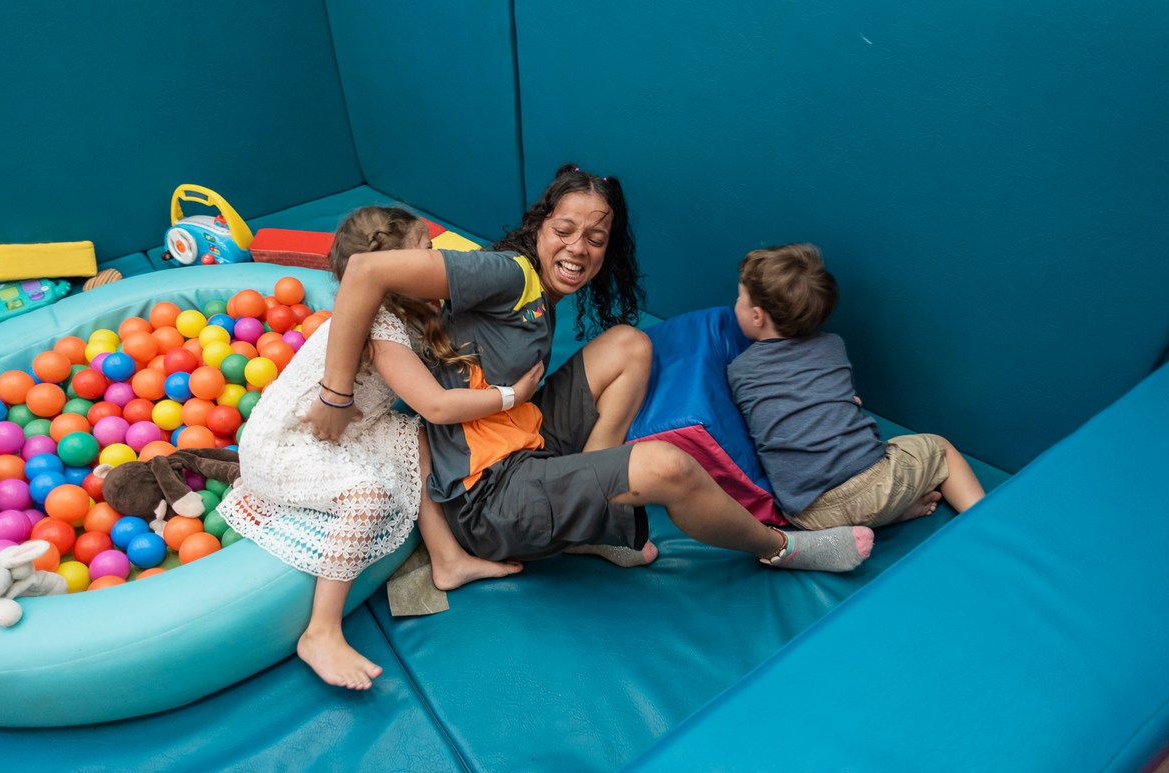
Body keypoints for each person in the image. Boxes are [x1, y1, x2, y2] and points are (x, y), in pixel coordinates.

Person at [307, 165, 873, 574]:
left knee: (629, 345)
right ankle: (781, 549)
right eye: (564, 230)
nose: (579, 248)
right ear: (540, 227)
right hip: (489, 500)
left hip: (526, 440)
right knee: (668, 468)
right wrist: (335, 398)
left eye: (595, 237)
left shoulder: (538, 286)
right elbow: (362, 271)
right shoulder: (505, 273)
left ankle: (590, 509)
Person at [219, 206, 539, 691]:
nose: (438, 260)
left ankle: (446, 558)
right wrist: (512, 395)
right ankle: (320, 631)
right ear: (395, 266)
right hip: (281, 447)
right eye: (427, 252)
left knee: (414, 438)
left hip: (346, 429)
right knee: (369, 495)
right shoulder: (381, 323)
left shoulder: (400, 313)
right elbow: (435, 405)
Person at [727, 243, 986, 531]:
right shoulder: (832, 346)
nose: (734, 304)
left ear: (757, 316)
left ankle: (895, 514)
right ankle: (985, 522)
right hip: (878, 488)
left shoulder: (739, 370)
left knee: (862, 493)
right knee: (941, 448)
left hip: (809, 517)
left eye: (740, 298)